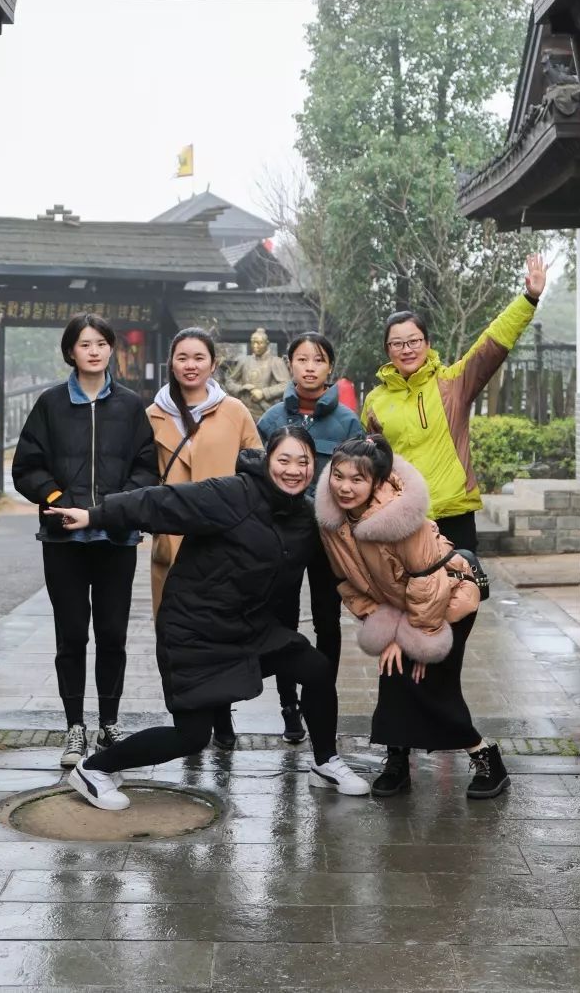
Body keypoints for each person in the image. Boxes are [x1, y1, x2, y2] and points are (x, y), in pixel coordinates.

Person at [49, 427, 371, 811]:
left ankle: (325, 762)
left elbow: (343, 566)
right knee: (192, 736)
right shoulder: (231, 494)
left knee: (315, 668)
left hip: (249, 628)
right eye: (283, 459)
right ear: (268, 460)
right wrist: (95, 515)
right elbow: (161, 503)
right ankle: (95, 769)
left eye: (303, 462)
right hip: (194, 629)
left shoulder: (305, 516)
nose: (293, 470)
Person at [316, 432, 507, 799]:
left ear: (376, 482)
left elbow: (429, 583)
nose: (345, 487)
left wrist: (418, 640)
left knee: (432, 685)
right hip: (402, 606)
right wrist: (389, 632)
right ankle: (397, 760)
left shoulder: (400, 517)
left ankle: (486, 758)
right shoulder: (333, 522)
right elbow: (348, 583)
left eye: (357, 479)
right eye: (338, 476)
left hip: (448, 599)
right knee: (394, 676)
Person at [12, 313, 156, 770]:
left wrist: (111, 509)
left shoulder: (130, 406)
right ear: (70, 352)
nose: (94, 351)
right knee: (71, 634)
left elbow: (146, 469)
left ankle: (108, 723)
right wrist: (57, 500)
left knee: (112, 634)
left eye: (101, 343)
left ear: (112, 349)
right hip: (63, 542)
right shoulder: (51, 404)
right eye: (84, 344)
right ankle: (74, 726)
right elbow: (26, 467)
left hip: (116, 538)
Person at [361, 252, 547, 551]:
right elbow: (370, 460)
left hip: (453, 513)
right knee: (408, 583)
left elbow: (490, 346)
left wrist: (529, 298)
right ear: (388, 349)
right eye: (397, 343)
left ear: (427, 343)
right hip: (400, 515)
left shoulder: (452, 385)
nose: (407, 349)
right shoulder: (375, 401)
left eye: (414, 341)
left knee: (461, 582)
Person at [147, 327, 261, 749]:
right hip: (173, 539)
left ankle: (222, 713)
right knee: (173, 630)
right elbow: (141, 475)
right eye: (183, 357)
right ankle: (186, 716)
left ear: (213, 364)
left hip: (223, 540)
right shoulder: (153, 414)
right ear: (171, 363)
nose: (190, 365)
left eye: (199, 358)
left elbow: (257, 468)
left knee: (220, 628)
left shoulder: (234, 411)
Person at [257, 331, 361, 743]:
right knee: (282, 620)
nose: (310, 367)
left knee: (327, 621)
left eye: (318, 360)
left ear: (330, 367)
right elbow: (258, 477)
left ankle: (321, 696)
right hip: (281, 535)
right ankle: (289, 706)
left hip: (328, 538)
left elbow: (358, 479)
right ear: (290, 365)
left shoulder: (347, 422)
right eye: (302, 359)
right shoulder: (271, 421)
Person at [222, 327, 290, 421]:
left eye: (259, 343)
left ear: (267, 344)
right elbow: (229, 381)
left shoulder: (275, 362)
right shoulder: (244, 361)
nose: (255, 346)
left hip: (266, 414)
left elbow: (286, 385)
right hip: (244, 413)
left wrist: (264, 393)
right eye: (253, 342)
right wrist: (241, 388)